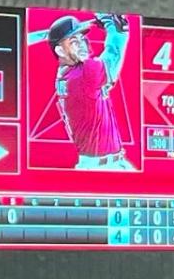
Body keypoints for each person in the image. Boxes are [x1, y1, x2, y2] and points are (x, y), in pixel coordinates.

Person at [46, 12, 135, 170]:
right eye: (74, 41)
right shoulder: (84, 74)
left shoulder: (65, 75)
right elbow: (115, 50)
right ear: (60, 51)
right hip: (103, 168)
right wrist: (112, 23)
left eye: (82, 37)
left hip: (103, 163)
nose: (82, 43)